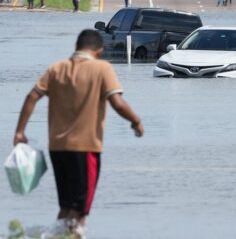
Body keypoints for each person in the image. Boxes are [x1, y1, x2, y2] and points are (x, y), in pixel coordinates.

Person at [13, 29, 144, 237]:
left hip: (57, 148)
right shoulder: (102, 68)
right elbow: (117, 103)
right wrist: (136, 121)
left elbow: (32, 96)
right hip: (86, 148)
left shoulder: (57, 68)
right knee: (80, 211)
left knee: (66, 207)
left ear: (75, 47)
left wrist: (20, 132)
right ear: (99, 51)